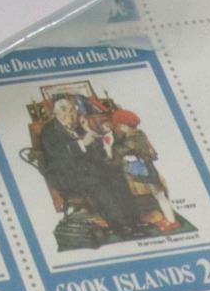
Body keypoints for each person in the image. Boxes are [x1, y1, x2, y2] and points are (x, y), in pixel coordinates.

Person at [39, 95, 144, 235]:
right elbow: (59, 153)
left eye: (72, 109)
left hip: (87, 168)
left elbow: (96, 147)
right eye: (63, 110)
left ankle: (134, 220)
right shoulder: (49, 131)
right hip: (66, 174)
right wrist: (82, 144)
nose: (69, 114)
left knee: (116, 173)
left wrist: (89, 131)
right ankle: (120, 226)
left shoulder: (79, 126)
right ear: (55, 112)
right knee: (97, 183)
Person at [109, 108, 179, 229]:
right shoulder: (138, 134)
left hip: (145, 170)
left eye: (118, 125)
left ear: (123, 125)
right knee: (159, 194)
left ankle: (171, 221)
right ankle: (170, 220)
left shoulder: (133, 137)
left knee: (159, 195)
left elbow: (122, 150)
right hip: (146, 169)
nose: (118, 128)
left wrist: (113, 143)